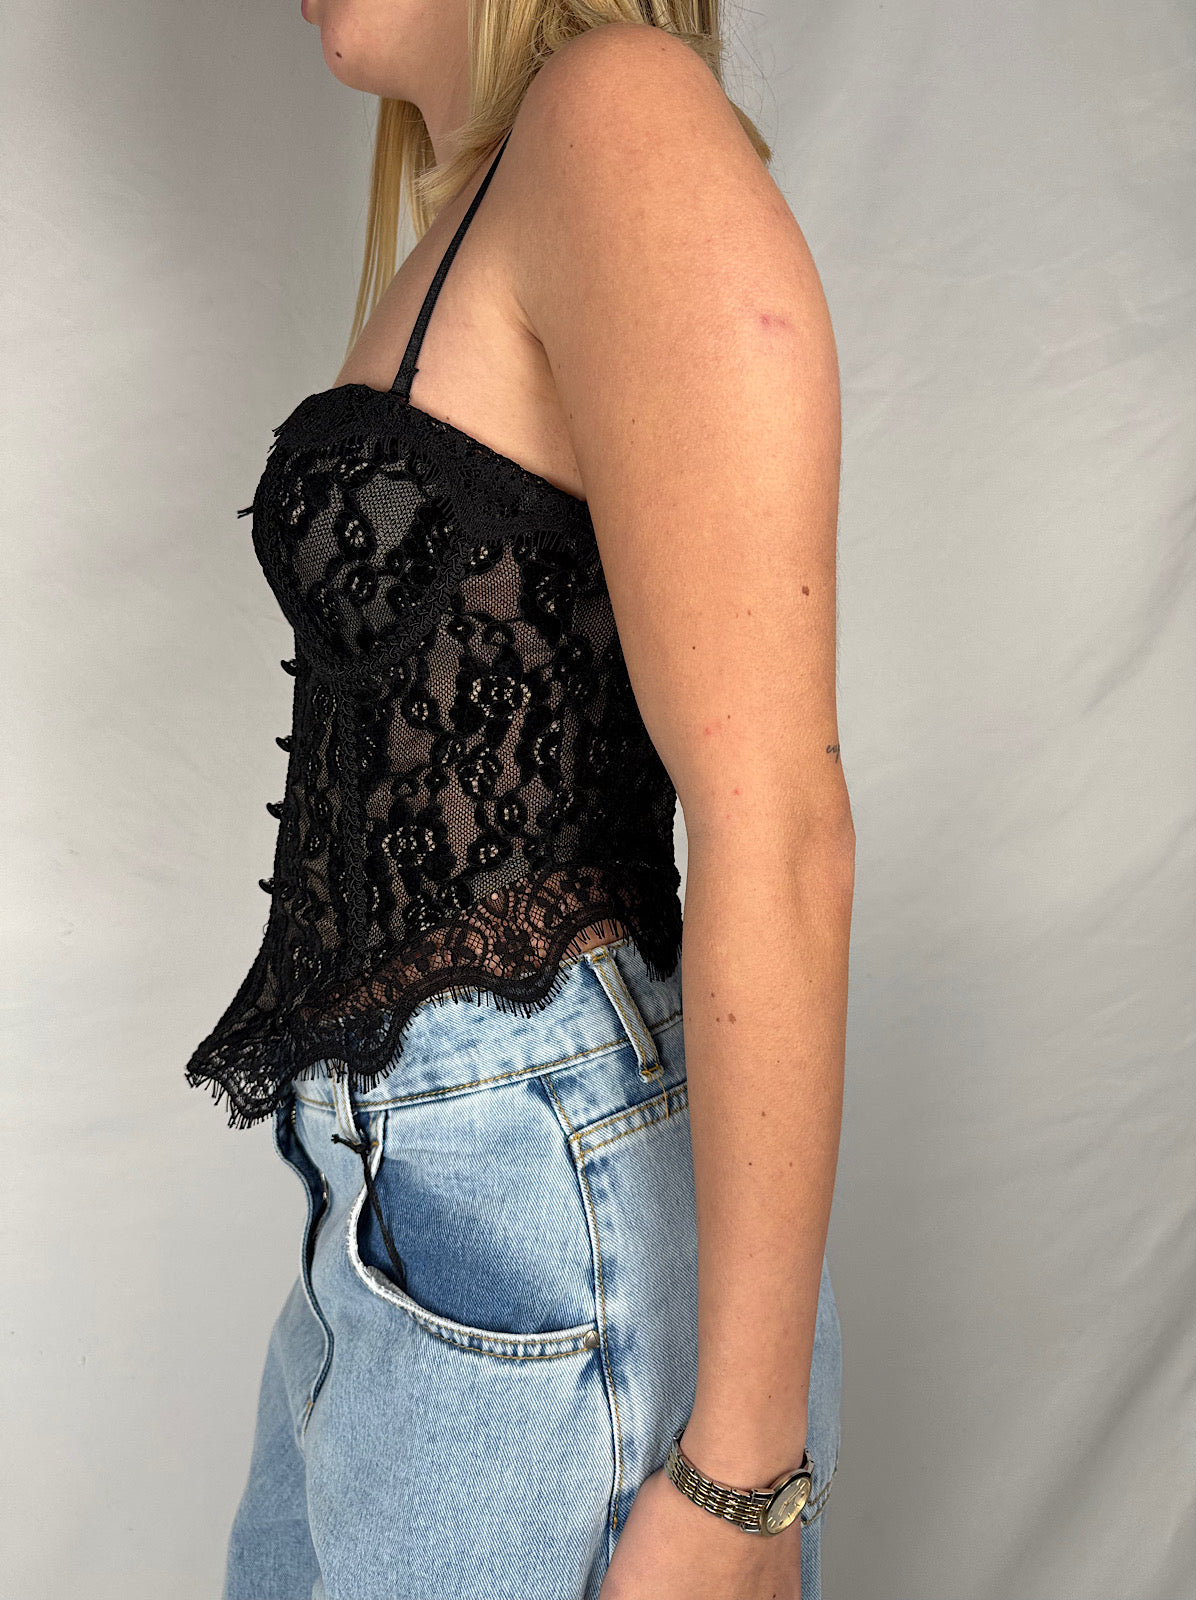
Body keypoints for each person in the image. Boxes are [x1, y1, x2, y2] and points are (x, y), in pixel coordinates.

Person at [190, 3, 851, 1597]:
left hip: (536, 1215)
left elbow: (779, 826)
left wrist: (744, 1479)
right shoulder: (490, 193)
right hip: (406, 1216)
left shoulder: (617, 114)